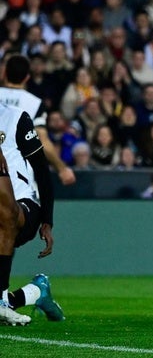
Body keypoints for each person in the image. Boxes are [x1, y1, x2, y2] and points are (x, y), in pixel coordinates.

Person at [0, 102, 64, 325]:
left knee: (3, 214)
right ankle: (36, 291)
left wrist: (47, 220)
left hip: (23, 206)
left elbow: (42, 169)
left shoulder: (15, 117)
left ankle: (1, 303)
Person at [0, 54, 76, 186]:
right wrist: (62, 168)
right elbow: (42, 140)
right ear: (27, 77)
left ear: (4, 73)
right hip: (19, 175)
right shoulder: (34, 103)